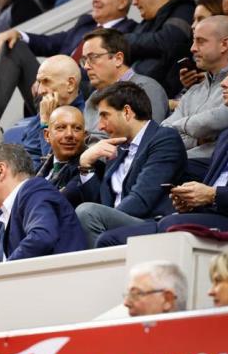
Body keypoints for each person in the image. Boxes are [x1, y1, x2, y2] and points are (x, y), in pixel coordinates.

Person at [95, 58, 228, 246]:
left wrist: (213, 195)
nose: (224, 83)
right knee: (107, 239)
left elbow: (141, 200)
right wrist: (193, 202)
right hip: (210, 213)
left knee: (168, 224)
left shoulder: (162, 139)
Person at [0, 0, 136, 121]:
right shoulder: (85, 23)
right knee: (15, 45)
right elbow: (50, 43)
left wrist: (48, 81)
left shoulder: (128, 33)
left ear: (122, 3)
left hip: (79, 95)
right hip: (47, 91)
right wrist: (18, 33)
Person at [74, 82, 187, 247]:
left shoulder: (164, 139)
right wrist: (85, 165)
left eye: (105, 115)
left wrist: (104, 220)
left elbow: (142, 200)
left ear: (127, 112)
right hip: (119, 227)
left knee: (86, 212)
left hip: (152, 226)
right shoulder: (117, 149)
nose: (100, 126)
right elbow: (101, 205)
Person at [0, 144, 87, 261]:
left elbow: (42, 237)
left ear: (1, 171)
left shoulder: (34, 190)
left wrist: (5, 271)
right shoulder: (7, 219)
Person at [162, 16, 228, 176]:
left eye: (201, 41)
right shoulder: (193, 91)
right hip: (181, 162)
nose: (192, 48)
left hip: (214, 169)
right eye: (193, 41)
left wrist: (179, 128)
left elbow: (208, 123)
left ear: (224, 44)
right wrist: (196, 139)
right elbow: (162, 132)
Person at [81, 28, 169, 140]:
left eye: (92, 58)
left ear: (118, 59)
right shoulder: (92, 99)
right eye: (84, 60)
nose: (86, 67)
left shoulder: (146, 89)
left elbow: (146, 140)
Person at [127, 0, 196, 97]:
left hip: (162, 95)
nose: (134, 2)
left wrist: (124, 40)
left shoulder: (184, 9)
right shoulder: (145, 24)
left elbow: (168, 41)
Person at [37, 106, 86, 199]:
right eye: (61, 128)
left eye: (77, 128)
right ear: (47, 135)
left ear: (85, 135)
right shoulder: (39, 169)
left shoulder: (89, 169)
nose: (69, 134)